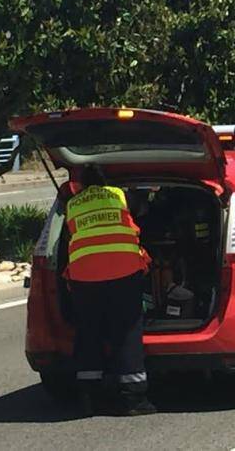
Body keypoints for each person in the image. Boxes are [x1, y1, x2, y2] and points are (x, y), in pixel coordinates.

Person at [64, 165, 155, 416]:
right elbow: (142, 212)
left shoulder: (73, 203)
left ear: (81, 184)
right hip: (122, 270)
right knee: (126, 330)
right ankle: (133, 398)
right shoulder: (118, 194)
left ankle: (88, 396)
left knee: (88, 331)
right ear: (106, 181)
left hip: (84, 274)